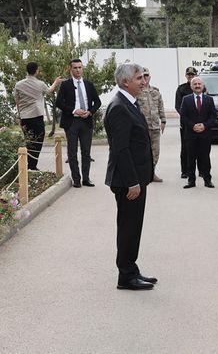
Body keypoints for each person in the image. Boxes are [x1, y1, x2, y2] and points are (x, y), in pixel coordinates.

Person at [104, 63, 156, 291]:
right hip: (128, 181)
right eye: (138, 78)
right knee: (128, 227)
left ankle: (131, 269)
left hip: (136, 178)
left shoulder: (129, 103)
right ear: (126, 82)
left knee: (134, 227)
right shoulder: (119, 107)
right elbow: (120, 149)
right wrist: (133, 182)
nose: (143, 82)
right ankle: (125, 276)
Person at [55, 59, 102, 188]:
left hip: (86, 122)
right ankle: (76, 179)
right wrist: (74, 110)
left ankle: (86, 179)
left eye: (80, 67)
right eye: (75, 68)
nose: (78, 70)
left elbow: (98, 102)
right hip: (71, 122)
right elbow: (59, 102)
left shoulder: (88, 84)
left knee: (86, 152)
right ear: (70, 69)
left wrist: (90, 112)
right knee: (72, 152)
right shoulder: (65, 85)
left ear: (83, 68)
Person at [13, 62, 62, 170]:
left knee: (29, 141)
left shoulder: (19, 84)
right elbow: (49, 91)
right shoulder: (40, 84)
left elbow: (17, 101)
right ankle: (32, 165)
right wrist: (56, 82)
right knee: (38, 141)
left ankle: (28, 165)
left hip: (25, 117)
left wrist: (20, 115)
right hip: (36, 116)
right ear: (36, 71)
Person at [180, 76, 217, 189]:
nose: (197, 86)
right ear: (191, 87)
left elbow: (213, 117)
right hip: (191, 134)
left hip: (205, 135)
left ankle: (207, 180)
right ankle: (191, 181)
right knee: (191, 159)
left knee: (205, 158)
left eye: (199, 84)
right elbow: (183, 116)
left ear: (202, 86)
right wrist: (193, 126)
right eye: (195, 84)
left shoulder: (209, 100)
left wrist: (204, 125)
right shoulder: (186, 99)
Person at [138, 68, 166, 182]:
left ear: (150, 77)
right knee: (143, 152)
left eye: (147, 75)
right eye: (142, 76)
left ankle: (151, 173)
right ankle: (142, 174)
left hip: (155, 127)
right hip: (142, 127)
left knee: (155, 152)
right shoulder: (137, 92)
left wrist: (163, 120)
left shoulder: (155, 91)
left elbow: (160, 106)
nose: (145, 78)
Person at [175, 67, 197, 179]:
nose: (190, 76)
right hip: (186, 124)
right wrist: (186, 118)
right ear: (186, 76)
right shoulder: (181, 89)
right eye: (189, 74)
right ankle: (185, 171)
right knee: (185, 148)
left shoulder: (201, 87)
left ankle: (202, 170)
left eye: (192, 74)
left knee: (200, 148)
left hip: (199, 124)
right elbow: (178, 106)